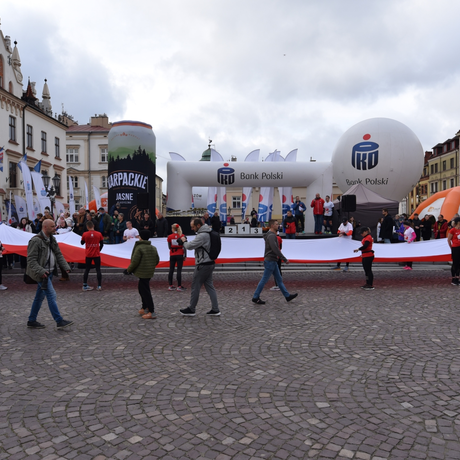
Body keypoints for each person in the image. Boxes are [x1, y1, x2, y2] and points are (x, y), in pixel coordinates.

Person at [25, 219, 73, 329]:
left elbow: (58, 254)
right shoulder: (35, 241)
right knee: (51, 295)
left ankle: (31, 320)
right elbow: (31, 260)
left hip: (50, 272)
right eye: (52, 226)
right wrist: (41, 271)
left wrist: (66, 267)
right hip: (42, 274)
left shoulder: (52, 239)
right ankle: (59, 320)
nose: (55, 228)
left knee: (39, 297)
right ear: (45, 227)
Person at [178, 218, 220, 316]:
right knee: (210, 286)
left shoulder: (202, 236)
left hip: (203, 265)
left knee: (195, 286)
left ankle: (192, 309)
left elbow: (189, 246)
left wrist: (183, 241)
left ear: (198, 226)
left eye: (193, 227)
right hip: (210, 263)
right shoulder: (208, 232)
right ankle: (215, 309)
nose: (192, 229)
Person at [251, 219, 298, 305]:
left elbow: (268, 249)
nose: (278, 225)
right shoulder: (272, 236)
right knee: (264, 279)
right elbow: (275, 249)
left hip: (272, 260)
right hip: (271, 261)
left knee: (279, 279)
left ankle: (287, 296)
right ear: (272, 226)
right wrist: (284, 258)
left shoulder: (270, 235)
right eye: (276, 224)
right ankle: (255, 296)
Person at [125, 230, 160, 319]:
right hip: (148, 272)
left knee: (145, 291)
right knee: (141, 289)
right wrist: (150, 266)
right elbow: (157, 260)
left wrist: (128, 270)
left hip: (143, 272)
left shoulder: (139, 248)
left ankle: (151, 311)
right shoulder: (153, 248)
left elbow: (135, 261)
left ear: (140, 237)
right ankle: (145, 307)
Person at [81, 221, 104, 291]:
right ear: (93, 226)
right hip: (96, 254)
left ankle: (85, 285)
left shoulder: (85, 234)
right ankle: (99, 285)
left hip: (88, 254)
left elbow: (82, 243)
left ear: (87, 227)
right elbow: (102, 244)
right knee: (98, 269)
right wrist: (98, 250)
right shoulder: (99, 234)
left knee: (87, 269)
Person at [167, 224, 186, 291]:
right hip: (180, 253)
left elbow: (169, 247)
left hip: (172, 254)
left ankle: (170, 285)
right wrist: (185, 255)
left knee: (171, 269)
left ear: (173, 229)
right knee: (179, 270)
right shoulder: (182, 236)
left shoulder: (169, 236)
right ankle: (179, 286)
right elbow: (185, 246)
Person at [448, 217, 460, 286]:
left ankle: (457, 278)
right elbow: (449, 239)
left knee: (459, 263)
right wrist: (451, 247)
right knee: (455, 263)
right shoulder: (452, 230)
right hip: (455, 248)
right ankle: (453, 278)